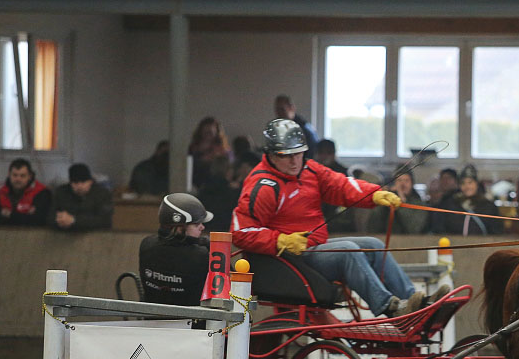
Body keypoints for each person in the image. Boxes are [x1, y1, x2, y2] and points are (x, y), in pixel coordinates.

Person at [232, 119, 444, 317]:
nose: (295, 161)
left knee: (373, 245)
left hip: (314, 248)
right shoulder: (263, 186)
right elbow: (241, 232)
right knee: (348, 252)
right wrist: (280, 240)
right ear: (271, 154)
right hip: (291, 259)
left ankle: (416, 304)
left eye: (299, 154)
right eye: (286, 155)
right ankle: (391, 307)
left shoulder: (310, 170)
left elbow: (341, 185)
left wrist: (374, 194)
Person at [139, 193, 212, 306]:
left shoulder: (146, 245)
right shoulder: (201, 255)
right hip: (191, 321)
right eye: (197, 224)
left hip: (151, 319)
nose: (202, 227)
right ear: (179, 227)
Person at [49, 163, 113, 231]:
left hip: (96, 235)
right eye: (75, 183)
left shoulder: (102, 194)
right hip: (66, 234)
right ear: (70, 183)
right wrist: (60, 221)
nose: (79, 186)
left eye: (83, 182)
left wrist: (74, 220)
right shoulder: (61, 192)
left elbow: (105, 221)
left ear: (90, 182)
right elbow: (50, 217)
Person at [436, 170, 500, 235]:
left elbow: (496, 232)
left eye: (470, 182)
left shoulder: (489, 206)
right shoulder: (450, 204)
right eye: (463, 183)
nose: (467, 186)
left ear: (477, 184)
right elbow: (440, 228)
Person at [0, 158, 52, 226]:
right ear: (9, 174)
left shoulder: (41, 191)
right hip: (3, 233)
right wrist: (23, 216)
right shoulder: (0, 189)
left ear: (30, 176)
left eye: (22, 176)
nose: (18, 179)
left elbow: (38, 220)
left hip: (33, 234)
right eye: (15, 175)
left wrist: (8, 214)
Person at [188, 117, 232, 190]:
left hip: (216, 185)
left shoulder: (223, 149)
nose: (208, 136)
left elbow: (228, 166)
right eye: (205, 132)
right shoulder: (193, 148)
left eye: (210, 133)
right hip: (196, 183)